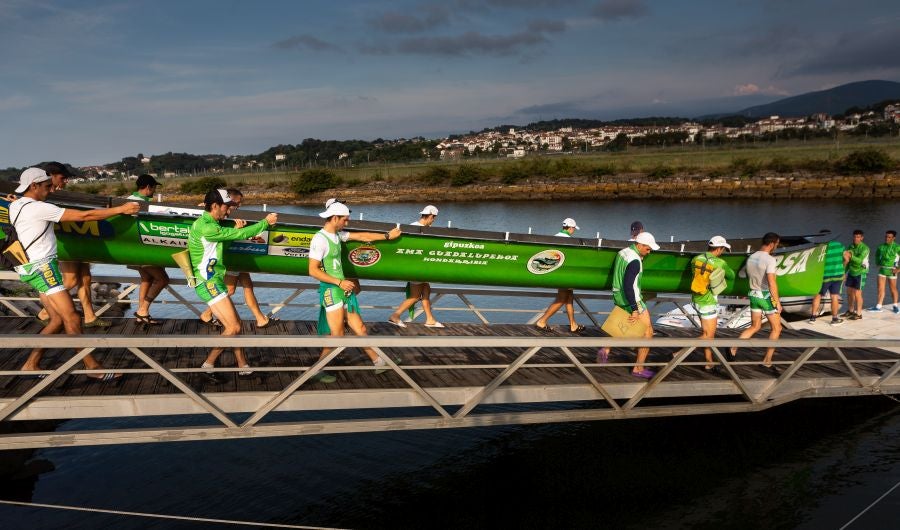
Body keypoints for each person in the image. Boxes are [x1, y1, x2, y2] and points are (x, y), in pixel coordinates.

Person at [11, 168, 139, 378]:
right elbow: (84, 215)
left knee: (56, 320)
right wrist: (120, 210)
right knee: (72, 316)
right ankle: (93, 368)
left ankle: (30, 364)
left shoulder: (16, 205)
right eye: (46, 186)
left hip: (30, 267)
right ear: (33, 186)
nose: (50, 190)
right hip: (44, 268)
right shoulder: (39, 208)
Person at [308, 200, 402, 383]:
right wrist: (339, 282)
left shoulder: (336, 235)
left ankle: (378, 362)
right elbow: (313, 270)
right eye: (345, 219)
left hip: (343, 289)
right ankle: (316, 370)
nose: (347, 222)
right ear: (334, 218)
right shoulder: (319, 239)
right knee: (337, 336)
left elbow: (362, 236)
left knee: (360, 328)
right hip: (332, 290)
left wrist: (387, 236)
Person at [188, 189, 277, 382]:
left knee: (236, 326)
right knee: (234, 327)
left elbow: (223, 244)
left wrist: (234, 232)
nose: (229, 212)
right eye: (226, 207)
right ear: (214, 206)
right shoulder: (207, 227)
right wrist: (265, 223)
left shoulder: (210, 223)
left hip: (212, 281)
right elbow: (244, 233)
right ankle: (208, 365)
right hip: (209, 283)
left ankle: (242, 366)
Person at [35, 162, 110, 328]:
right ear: (50, 176)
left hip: (76, 239)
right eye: (63, 178)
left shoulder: (57, 195)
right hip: (64, 242)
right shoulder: (45, 197)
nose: (65, 181)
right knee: (71, 280)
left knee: (85, 277)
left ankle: (90, 316)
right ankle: (44, 312)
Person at [199, 189, 276, 329]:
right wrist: (265, 222)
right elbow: (237, 234)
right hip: (232, 256)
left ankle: (260, 319)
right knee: (230, 289)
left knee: (247, 285)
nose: (237, 208)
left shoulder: (224, 216)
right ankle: (207, 314)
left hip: (238, 255)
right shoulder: (216, 221)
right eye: (236, 204)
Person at [608, 231, 660, 378]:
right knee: (648, 333)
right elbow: (628, 285)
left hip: (618, 295)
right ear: (640, 245)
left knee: (620, 325)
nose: (649, 252)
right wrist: (634, 309)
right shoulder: (635, 261)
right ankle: (638, 369)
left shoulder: (623, 252)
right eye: (648, 249)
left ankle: (604, 351)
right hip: (632, 299)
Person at [733, 232, 783, 374]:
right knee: (777, 328)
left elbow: (742, 274)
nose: (776, 247)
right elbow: (772, 283)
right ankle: (767, 362)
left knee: (755, 326)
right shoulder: (769, 260)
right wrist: (777, 302)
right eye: (777, 244)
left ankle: (733, 348)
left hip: (753, 295)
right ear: (772, 243)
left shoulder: (751, 257)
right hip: (765, 296)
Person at [387, 205, 444, 329]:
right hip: (416, 268)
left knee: (426, 291)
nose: (433, 220)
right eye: (433, 218)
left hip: (421, 268)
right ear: (430, 216)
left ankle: (430, 319)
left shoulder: (413, 226)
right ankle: (395, 316)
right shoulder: (419, 229)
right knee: (415, 296)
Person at [128, 174, 170, 325]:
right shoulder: (140, 204)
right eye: (154, 187)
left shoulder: (128, 199)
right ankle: (143, 310)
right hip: (143, 250)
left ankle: (141, 314)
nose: (154, 191)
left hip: (131, 250)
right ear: (148, 187)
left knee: (146, 279)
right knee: (162, 279)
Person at [690, 236, 735, 372]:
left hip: (696, 299)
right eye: (723, 249)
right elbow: (732, 275)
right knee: (708, 335)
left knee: (708, 334)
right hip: (708, 302)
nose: (723, 252)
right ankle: (678, 353)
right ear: (719, 249)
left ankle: (709, 362)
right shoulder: (720, 263)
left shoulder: (695, 259)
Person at [534, 217, 584, 333]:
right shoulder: (569, 240)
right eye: (574, 229)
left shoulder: (554, 237)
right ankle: (542, 321)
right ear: (570, 228)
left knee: (569, 296)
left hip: (557, 272)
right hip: (564, 274)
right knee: (562, 298)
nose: (574, 231)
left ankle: (573, 325)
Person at [809, 240, 846, 325]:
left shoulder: (820, 246)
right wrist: (843, 269)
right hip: (837, 274)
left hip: (824, 275)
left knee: (818, 295)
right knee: (834, 296)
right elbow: (846, 258)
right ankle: (834, 319)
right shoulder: (839, 244)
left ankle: (813, 318)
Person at [867, 230, 899, 314]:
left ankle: (895, 305)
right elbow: (877, 255)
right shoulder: (881, 246)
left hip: (892, 269)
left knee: (893, 288)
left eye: (889, 237)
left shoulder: (897, 247)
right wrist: (877, 263)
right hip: (882, 269)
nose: (886, 238)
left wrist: (898, 269)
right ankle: (879, 306)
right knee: (880, 288)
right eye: (886, 237)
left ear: (893, 238)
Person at [841, 230, 869, 321]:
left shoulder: (865, 248)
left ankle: (859, 313)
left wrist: (850, 255)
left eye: (858, 237)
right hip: (851, 272)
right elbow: (847, 261)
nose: (856, 239)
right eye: (854, 237)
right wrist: (844, 273)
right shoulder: (850, 246)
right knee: (849, 292)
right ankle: (850, 310)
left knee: (857, 293)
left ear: (862, 238)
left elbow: (860, 260)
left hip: (861, 272)